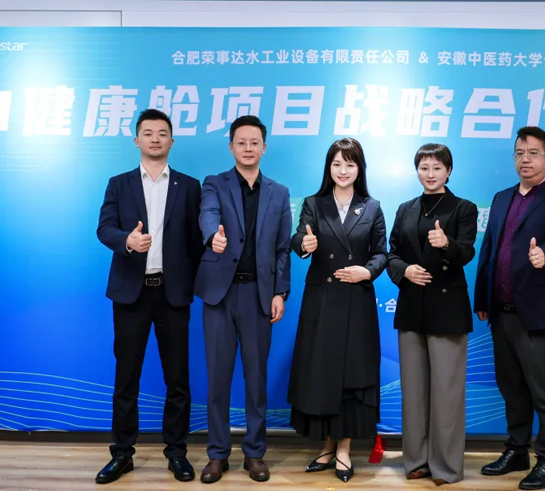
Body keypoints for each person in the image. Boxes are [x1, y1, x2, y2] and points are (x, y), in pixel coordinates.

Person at [95, 108, 203, 484]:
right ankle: (122, 454)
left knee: (178, 380)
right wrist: (127, 240)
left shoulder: (189, 186)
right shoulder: (119, 184)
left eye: (162, 133)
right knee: (127, 378)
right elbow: (104, 228)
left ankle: (177, 452)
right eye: (148, 133)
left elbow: (196, 240)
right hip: (131, 295)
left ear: (172, 140)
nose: (155, 138)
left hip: (173, 294)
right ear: (136, 139)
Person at [474, 126, 545, 490]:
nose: (525, 160)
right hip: (501, 311)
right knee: (512, 389)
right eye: (520, 153)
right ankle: (516, 450)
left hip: (538, 313)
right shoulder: (502, 197)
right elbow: (489, 249)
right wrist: (482, 297)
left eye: (534, 153)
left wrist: (544, 254)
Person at [194, 115, 292, 484]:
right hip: (220, 294)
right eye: (241, 142)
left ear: (264, 147)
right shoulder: (214, 183)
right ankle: (217, 454)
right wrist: (212, 237)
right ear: (231, 146)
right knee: (218, 379)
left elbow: (282, 248)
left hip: (258, 296)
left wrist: (280, 291)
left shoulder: (279, 192)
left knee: (256, 378)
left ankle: (254, 453)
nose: (248, 148)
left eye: (254, 142)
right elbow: (208, 214)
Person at [287, 138, 388, 483]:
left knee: (350, 376)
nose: (343, 171)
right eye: (337, 164)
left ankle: (344, 447)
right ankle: (327, 444)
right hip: (322, 301)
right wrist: (304, 244)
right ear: (328, 168)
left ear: (360, 169)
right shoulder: (313, 204)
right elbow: (298, 238)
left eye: (350, 164)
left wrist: (367, 271)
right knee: (322, 374)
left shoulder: (371, 207)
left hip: (356, 300)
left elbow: (382, 253)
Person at [386, 143, 478, 486]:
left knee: (447, 393)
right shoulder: (405, 209)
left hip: (447, 309)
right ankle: (416, 460)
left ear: (448, 171)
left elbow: (466, 252)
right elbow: (391, 253)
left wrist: (446, 244)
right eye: (424, 167)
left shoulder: (463, 208)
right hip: (412, 306)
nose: (430, 173)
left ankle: (446, 467)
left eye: (437, 167)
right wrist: (405, 271)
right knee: (413, 392)